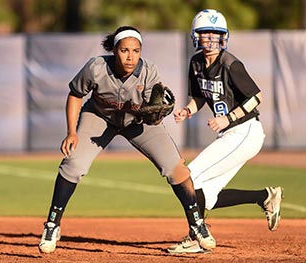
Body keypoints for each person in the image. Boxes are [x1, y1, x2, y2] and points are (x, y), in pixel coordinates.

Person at [38, 25, 215, 254]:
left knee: (176, 168)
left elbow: (153, 109)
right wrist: (72, 131)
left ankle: (197, 224)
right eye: (124, 50)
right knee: (73, 164)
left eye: (136, 50)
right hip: (99, 117)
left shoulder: (149, 71)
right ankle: (52, 224)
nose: (130, 56)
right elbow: (76, 94)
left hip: (136, 121)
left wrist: (153, 112)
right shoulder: (96, 67)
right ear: (114, 50)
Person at [168, 9, 284, 253]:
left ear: (223, 37)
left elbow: (256, 97)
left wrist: (228, 118)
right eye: (205, 33)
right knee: (208, 196)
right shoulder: (196, 63)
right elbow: (199, 97)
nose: (210, 39)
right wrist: (187, 111)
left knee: (191, 176)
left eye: (215, 34)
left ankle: (195, 237)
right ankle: (264, 196)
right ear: (195, 36)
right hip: (231, 133)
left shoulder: (230, 63)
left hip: (245, 131)